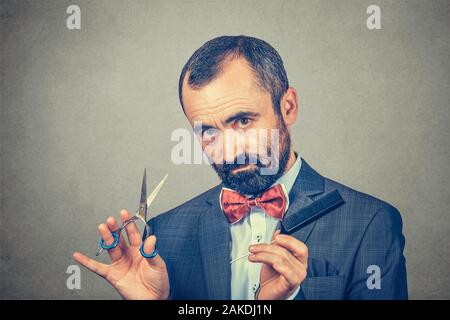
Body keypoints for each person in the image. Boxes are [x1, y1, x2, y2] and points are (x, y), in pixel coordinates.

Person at [73, 35, 408, 300]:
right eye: (208, 132)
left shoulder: (371, 223)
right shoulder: (161, 238)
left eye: (243, 121)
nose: (229, 149)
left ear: (287, 107)